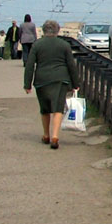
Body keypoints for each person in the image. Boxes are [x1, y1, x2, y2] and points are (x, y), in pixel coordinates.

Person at [23, 19, 80, 149]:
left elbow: (30, 65)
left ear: (43, 31)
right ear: (57, 30)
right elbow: (71, 65)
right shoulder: (64, 45)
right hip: (60, 80)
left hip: (41, 80)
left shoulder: (37, 45)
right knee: (58, 108)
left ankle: (46, 135)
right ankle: (55, 136)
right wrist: (75, 83)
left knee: (44, 109)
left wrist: (27, 84)